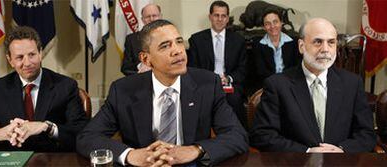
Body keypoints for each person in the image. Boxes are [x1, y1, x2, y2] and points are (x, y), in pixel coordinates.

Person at [77, 20, 248, 166]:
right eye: (165, 46)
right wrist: (130, 155)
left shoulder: (208, 84)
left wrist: (195, 149)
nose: (178, 50)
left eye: (179, 41)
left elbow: (237, 136)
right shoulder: (123, 90)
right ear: (146, 59)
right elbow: (87, 137)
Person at [250, 18, 376, 153]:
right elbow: (263, 135)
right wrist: (307, 152)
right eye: (318, 42)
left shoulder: (352, 83)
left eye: (331, 42)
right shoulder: (277, 85)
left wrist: (342, 150)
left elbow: (367, 134)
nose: (325, 49)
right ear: (301, 46)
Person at [0, 26, 89, 152]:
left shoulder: (66, 86)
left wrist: (47, 127)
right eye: (19, 57)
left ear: (40, 53)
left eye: (32, 55)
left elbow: (82, 132)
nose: (27, 63)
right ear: (10, 60)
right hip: (13, 160)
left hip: (53, 159)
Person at [187, 0, 248, 130]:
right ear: (210, 17)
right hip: (206, 83)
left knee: (235, 99)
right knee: (201, 100)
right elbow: (193, 68)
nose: (220, 19)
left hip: (230, 84)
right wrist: (211, 78)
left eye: (223, 16)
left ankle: (239, 135)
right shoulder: (197, 40)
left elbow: (243, 69)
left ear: (227, 19)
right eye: (216, 15)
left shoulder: (238, 40)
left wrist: (228, 78)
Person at [248, 8, 301, 95]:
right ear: (264, 27)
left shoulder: (293, 42)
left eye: (275, 22)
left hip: (290, 84)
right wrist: (275, 84)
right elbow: (260, 71)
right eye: (267, 24)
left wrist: (284, 83)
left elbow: (296, 68)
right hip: (267, 86)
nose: (272, 26)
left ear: (281, 23)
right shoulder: (258, 44)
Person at [121, 4, 162, 76]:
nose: (151, 19)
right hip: (140, 81)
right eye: (148, 17)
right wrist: (140, 66)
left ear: (160, 17)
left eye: (154, 16)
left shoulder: (169, 37)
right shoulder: (131, 39)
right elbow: (125, 68)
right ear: (142, 19)